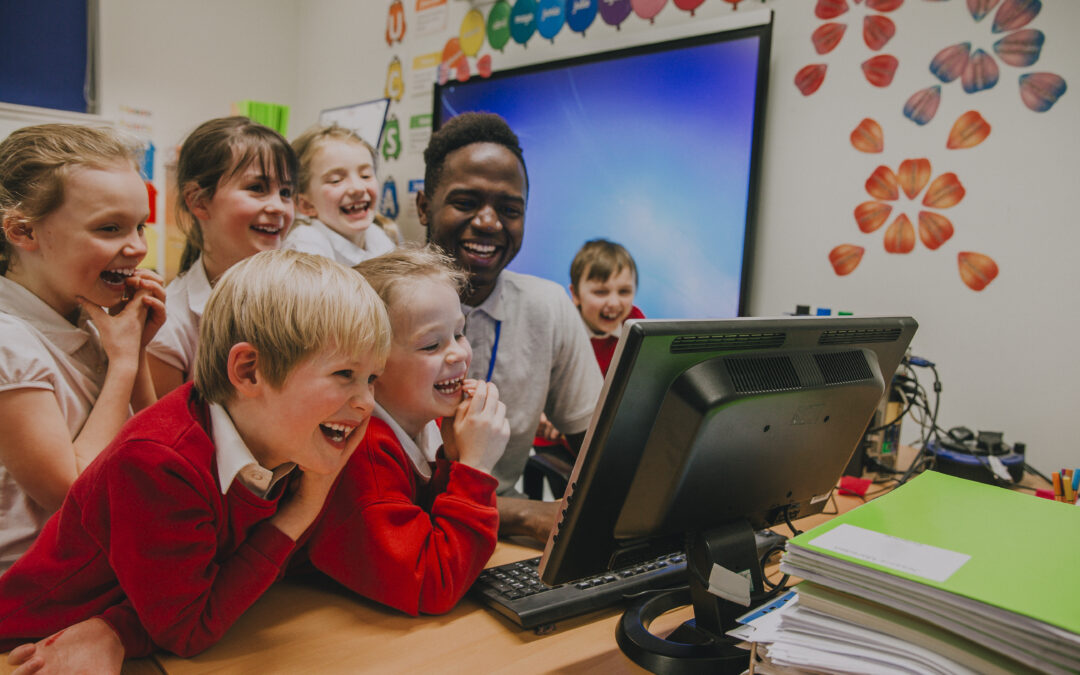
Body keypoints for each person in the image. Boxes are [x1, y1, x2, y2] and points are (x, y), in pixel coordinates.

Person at [0, 249, 389, 671]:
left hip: (135, 639)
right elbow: (188, 630)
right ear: (249, 371)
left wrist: (114, 629)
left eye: (372, 378)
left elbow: (249, 573)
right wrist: (304, 509)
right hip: (31, 645)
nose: (367, 402)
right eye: (344, 375)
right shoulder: (158, 462)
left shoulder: (291, 438)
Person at [417, 112, 603, 543]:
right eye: (466, 202)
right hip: (404, 530)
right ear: (424, 206)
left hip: (498, 537)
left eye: (510, 209)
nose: (488, 222)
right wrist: (520, 514)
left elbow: (600, 450)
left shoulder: (548, 305)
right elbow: (366, 495)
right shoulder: (372, 302)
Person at [0, 123, 166, 573]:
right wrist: (123, 364)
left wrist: (135, 355)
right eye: (109, 228)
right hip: (29, 586)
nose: (136, 248)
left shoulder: (89, 316)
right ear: (23, 231)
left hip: (90, 566)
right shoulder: (8, 344)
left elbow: (155, 456)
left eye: (140, 226)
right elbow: (74, 492)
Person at [332, 246, 506, 613]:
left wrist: (454, 458)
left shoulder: (420, 424)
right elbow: (431, 585)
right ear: (371, 365)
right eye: (432, 344)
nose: (458, 353)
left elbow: (426, 530)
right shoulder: (365, 452)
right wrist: (475, 468)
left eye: (459, 333)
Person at [146, 116, 297, 397]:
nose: (278, 206)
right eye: (257, 188)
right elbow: (166, 435)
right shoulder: (170, 326)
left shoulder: (305, 294)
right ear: (199, 201)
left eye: (286, 192)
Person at [285, 125, 400, 265]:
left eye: (365, 175)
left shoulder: (377, 235)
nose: (358, 188)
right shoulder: (304, 245)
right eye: (336, 180)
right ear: (306, 204)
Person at [568, 238, 645, 376]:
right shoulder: (565, 329)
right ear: (576, 295)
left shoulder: (635, 322)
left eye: (624, 292)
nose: (614, 303)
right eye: (600, 292)